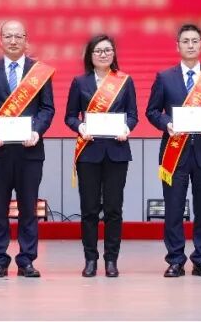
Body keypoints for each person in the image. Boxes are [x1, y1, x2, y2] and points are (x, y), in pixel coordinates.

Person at [145, 23, 201, 278]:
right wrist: (167, 124)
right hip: (174, 152)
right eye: (186, 41)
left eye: (195, 41)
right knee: (173, 209)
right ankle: (175, 260)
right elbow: (152, 111)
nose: (190, 45)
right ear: (178, 46)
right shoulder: (164, 77)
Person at [0, 20, 55, 278]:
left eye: (18, 36)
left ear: (26, 39)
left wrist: (36, 131)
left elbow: (47, 108)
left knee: (29, 208)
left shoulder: (39, 71)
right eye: (8, 36)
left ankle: (26, 260)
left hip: (30, 151)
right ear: (0, 40)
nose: (13, 41)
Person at [64, 34, 138, 277]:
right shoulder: (80, 82)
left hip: (117, 152)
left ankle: (111, 260)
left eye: (107, 50)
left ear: (114, 54)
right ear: (90, 55)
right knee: (89, 209)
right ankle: (90, 259)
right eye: (98, 51)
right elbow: (70, 116)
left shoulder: (124, 81)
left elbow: (133, 115)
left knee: (114, 209)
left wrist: (126, 129)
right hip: (89, 152)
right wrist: (80, 127)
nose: (103, 54)